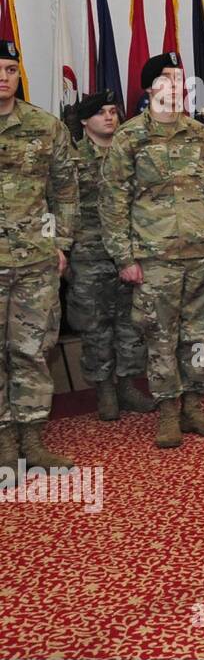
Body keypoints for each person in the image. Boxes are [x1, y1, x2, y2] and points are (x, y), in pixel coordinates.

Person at [100, 52, 204, 448]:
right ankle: (168, 412)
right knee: (160, 337)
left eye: (180, 77)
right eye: (167, 78)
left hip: (201, 255)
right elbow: (113, 202)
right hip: (154, 259)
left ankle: (193, 404)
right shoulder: (130, 137)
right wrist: (125, 257)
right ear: (149, 87)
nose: (176, 84)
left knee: (198, 337)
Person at [0, 40, 79, 473]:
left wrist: (59, 243)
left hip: (34, 262)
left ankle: (32, 441)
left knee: (32, 350)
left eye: (11, 69)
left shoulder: (44, 126)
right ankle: (4, 447)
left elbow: (64, 191)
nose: (4, 77)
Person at [66, 89, 154, 421]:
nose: (109, 116)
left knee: (132, 324)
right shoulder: (71, 161)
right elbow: (61, 208)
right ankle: (104, 389)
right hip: (90, 256)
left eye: (113, 111)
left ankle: (127, 386)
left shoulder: (132, 156)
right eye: (100, 112)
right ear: (85, 120)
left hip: (131, 254)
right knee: (95, 326)